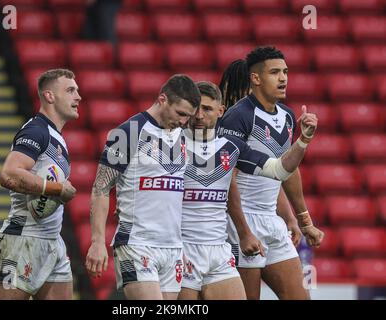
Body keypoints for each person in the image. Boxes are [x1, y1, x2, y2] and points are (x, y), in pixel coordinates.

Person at [178, 81, 318, 300]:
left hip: (234, 242)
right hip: (196, 240)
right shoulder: (172, 144)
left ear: (219, 110)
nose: (199, 115)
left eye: (206, 109)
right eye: (196, 108)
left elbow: (277, 172)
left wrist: (303, 140)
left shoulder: (232, 145)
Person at [218, 47, 325, 300]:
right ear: (255, 78)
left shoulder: (288, 116)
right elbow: (226, 177)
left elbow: (287, 169)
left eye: (285, 72)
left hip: (271, 221)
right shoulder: (237, 117)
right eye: (275, 72)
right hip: (241, 220)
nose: (283, 78)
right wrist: (243, 230)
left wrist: (302, 220)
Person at [85, 74, 201, 300]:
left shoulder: (183, 136)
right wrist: (97, 241)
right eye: (180, 113)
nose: (184, 121)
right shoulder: (128, 133)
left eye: (188, 117)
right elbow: (100, 188)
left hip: (172, 248)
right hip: (137, 243)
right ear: (162, 100)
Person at [0, 69, 79, 300]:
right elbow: (9, 173)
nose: (78, 97)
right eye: (70, 90)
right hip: (24, 238)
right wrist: (57, 189)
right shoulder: (36, 130)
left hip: (52, 239)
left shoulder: (56, 136)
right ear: (49, 96)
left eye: (77, 91)